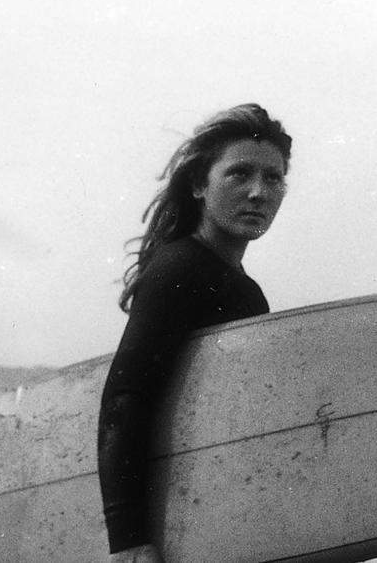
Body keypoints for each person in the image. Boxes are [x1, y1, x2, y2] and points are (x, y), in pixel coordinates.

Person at [98, 104, 292, 563]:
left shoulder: (245, 291)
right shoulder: (180, 269)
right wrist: (128, 542)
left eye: (273, 178)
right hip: (166, 534)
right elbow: (125, 398)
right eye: (239, 174)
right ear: (200, 185)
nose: (258, 192)